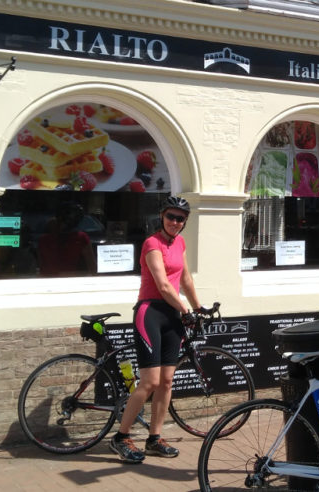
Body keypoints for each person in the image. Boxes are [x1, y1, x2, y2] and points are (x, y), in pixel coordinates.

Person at [109, 196, 203, 463]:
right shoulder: (152, 243)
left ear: (185, 222)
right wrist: (185, 309)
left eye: (180, 218)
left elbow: (185, 279)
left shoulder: (180, 243)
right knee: (150, 381)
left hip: (171, 315)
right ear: (162, 217)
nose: (175, 222)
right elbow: (163, 285)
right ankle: (121, 437)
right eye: (171, 216)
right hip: (150, 312)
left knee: (166, 381)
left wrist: (198, 307)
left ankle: (154, 438)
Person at [37, 201, 96, 277]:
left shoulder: (80, 238)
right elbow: (92, 267)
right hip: (62, 279)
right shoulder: (80, 238)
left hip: (54, 280)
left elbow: (41, 266)